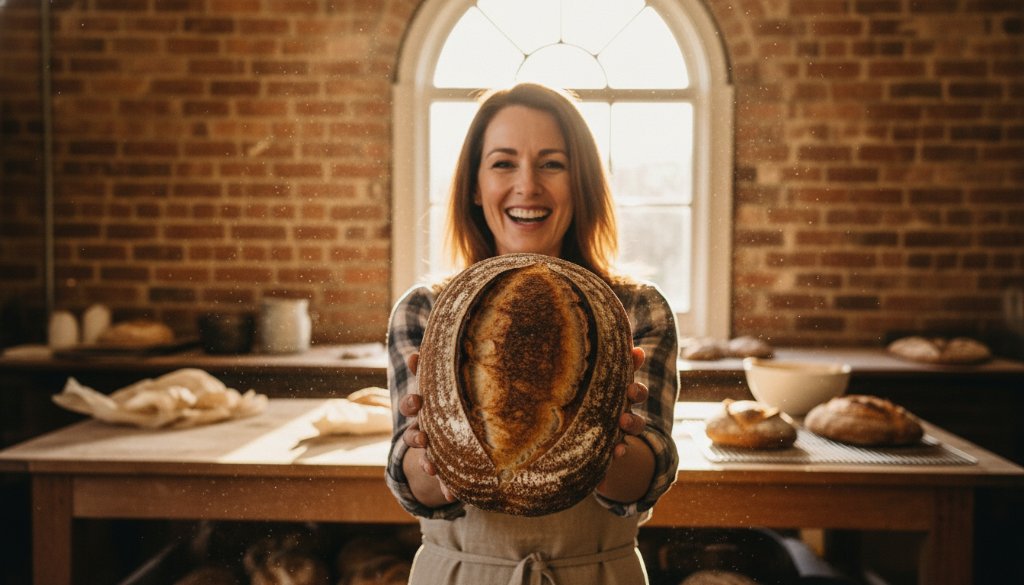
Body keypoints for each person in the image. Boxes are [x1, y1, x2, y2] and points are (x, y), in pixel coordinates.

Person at [386, 82, 679, 584]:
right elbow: (417, 490)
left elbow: (642, 482)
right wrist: (427, 449)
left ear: (581, 182)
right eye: (503, 163)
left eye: (552, 164)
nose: (528, 186)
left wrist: (606, 439)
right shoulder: (427, 310)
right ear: (475, 187)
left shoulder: (633, 309)